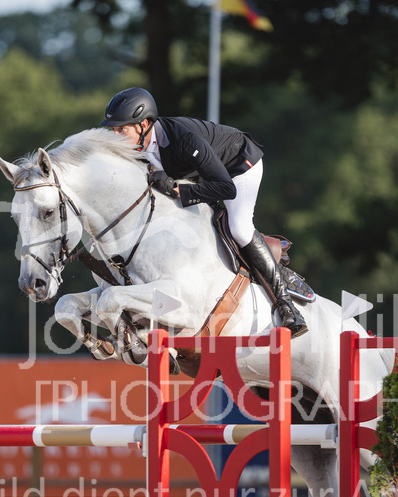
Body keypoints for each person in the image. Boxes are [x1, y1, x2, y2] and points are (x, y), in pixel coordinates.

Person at [100, 87, 309, 338]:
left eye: (122, 129)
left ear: (144, 124)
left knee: (238, 227)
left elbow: (225, 188)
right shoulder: (134, 148)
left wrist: (178, 191)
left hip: (237, 166)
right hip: (200, 175)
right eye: (113, 130)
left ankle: (285, 304)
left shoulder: (182, 139)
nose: (116, 136)